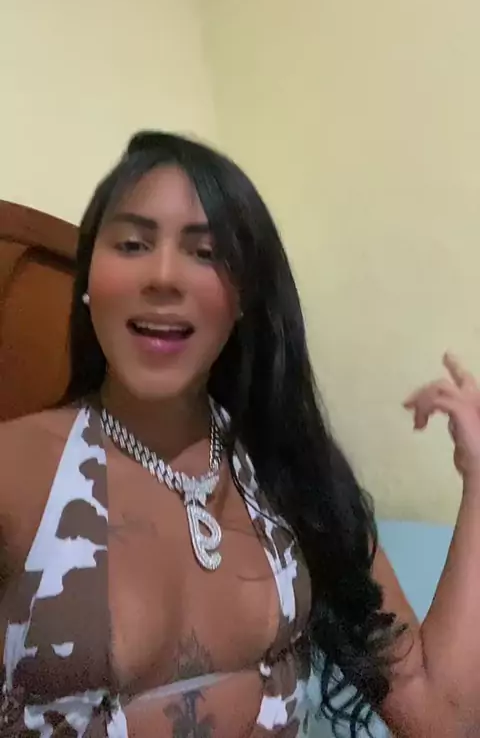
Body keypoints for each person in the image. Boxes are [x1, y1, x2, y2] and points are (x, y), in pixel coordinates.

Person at [0, 131, 479, 738]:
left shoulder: (292, 475)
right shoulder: (16, 473)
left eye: (205, 252)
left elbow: (437, 714)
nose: (164, 276)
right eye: (132, 244)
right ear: (89, 281)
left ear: (244, 297)